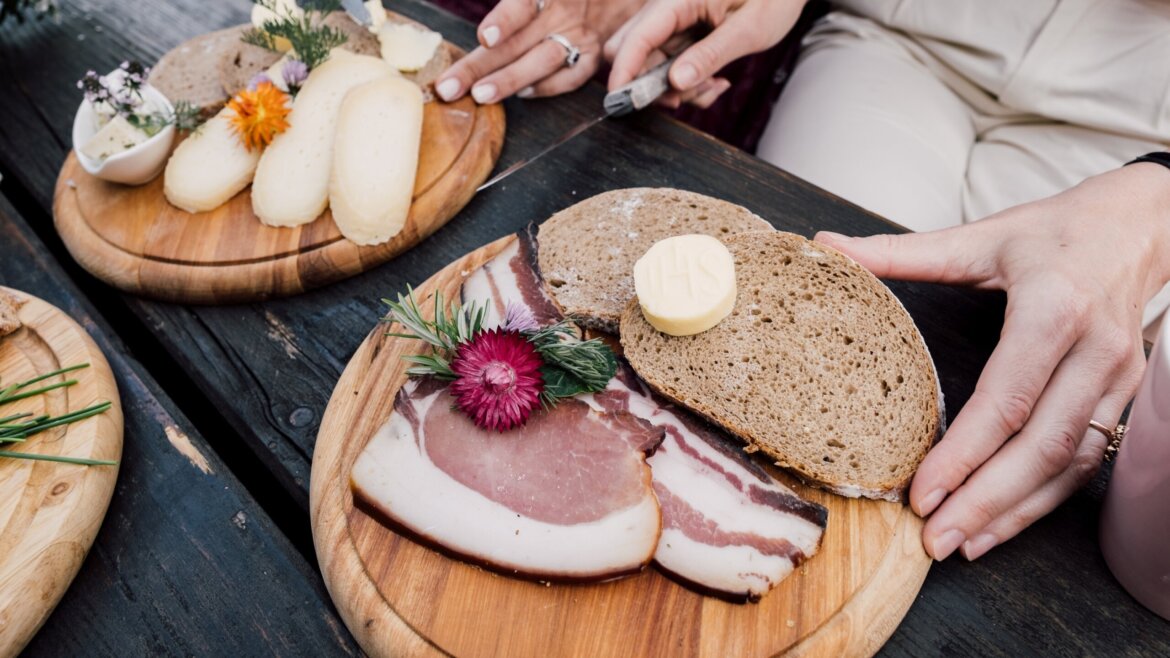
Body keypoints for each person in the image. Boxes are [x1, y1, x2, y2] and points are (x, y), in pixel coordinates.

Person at [436, 0, 1170, 561]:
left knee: (1009, 397)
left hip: (1141, 123)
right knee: (803, 277)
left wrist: (1154, 207)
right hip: (905, 36)